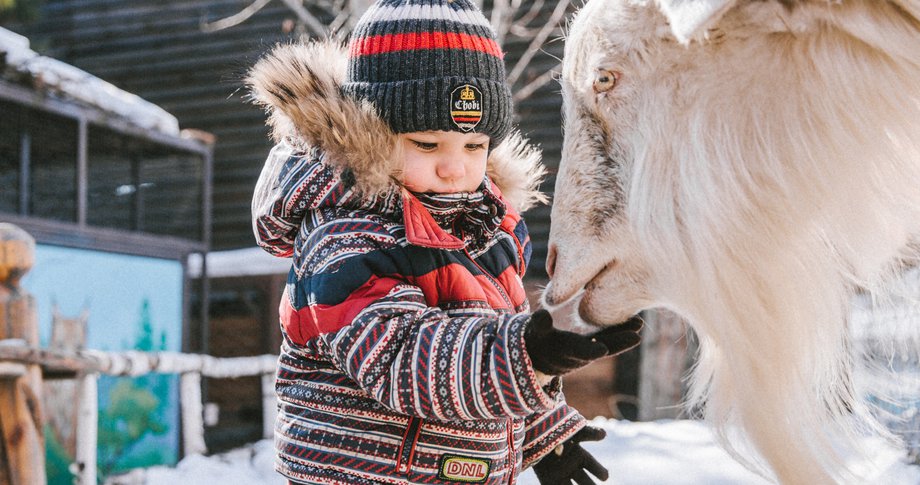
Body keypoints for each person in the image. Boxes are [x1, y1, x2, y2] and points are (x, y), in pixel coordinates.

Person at [247, 1, 642, 484]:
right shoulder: (345, 238)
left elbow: (488, 347)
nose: (455, 167)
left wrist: (543, 435)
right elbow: (401, 359)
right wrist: (528, 353)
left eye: (474, 146)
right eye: (428, 145)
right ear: (372, 134)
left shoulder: (485, 232)